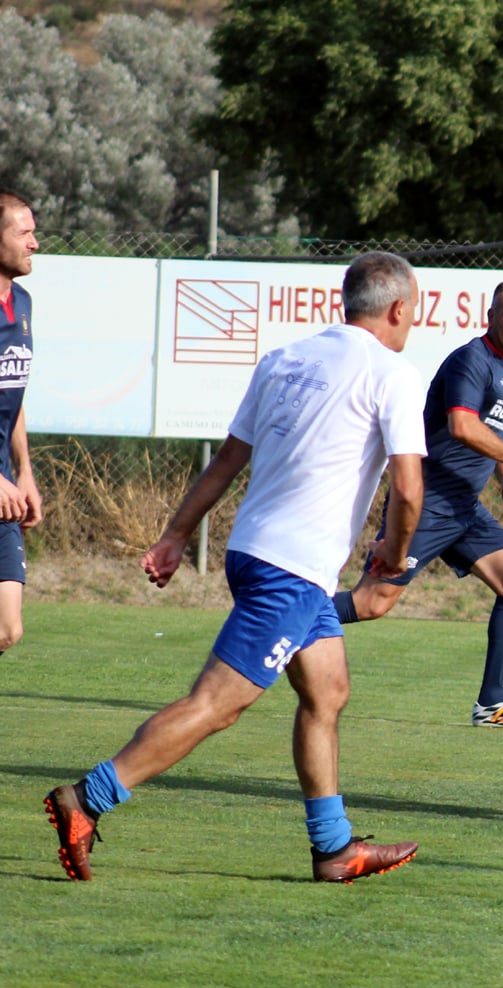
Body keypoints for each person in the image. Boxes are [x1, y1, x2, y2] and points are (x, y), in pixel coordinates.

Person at [43, 252, 428, 883]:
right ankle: (86, 800)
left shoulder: (286, 359)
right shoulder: (392, 373)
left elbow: (226, 460)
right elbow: (409, 488)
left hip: (253, 551)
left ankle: (334, 849)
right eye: (413, 311)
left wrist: (175, 535)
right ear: (397, 309)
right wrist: (394, 555)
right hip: (292, 569)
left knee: (327, 692)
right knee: (217, 706)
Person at [333, 280, 503, 728]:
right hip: (425, 500)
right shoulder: (470, 360)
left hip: (465, 506)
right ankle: (279, 615)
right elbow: (462, 425)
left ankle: (492, 705)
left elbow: (493, 437)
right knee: (370, 604)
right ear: (491, 315)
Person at [0, 190, 42, 655]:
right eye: (23, 232)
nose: (34, 243)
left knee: (8, 627)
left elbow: (13, 391)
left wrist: (23, 470)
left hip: (5, 484)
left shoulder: (24, 303)